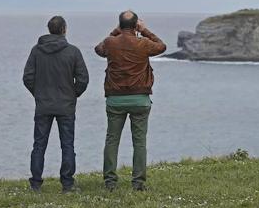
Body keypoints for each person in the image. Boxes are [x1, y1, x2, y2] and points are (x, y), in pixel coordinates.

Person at [95, 10, 166, 191]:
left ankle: (110, 182)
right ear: (135, 25)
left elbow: (98, 49)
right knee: (139, 142)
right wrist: (145, 30)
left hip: (115, 100)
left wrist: (115, 32)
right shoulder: (144, 43)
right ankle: (138, 183)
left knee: (112, 140)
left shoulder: (111, 43)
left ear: (120, 25)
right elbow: (162, 46)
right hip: (140, 100)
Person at [23, 16, 89, 193]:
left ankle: (35, 184)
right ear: (64, 29)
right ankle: (67, 184)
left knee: (39, 145)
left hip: (43, 105)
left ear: (49, 29)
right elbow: (83, 79)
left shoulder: (37, 51)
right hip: (66, 106)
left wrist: (38, 94)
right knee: (67, 145)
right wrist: (72, 95)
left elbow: (28, 77)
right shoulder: (73, 52)